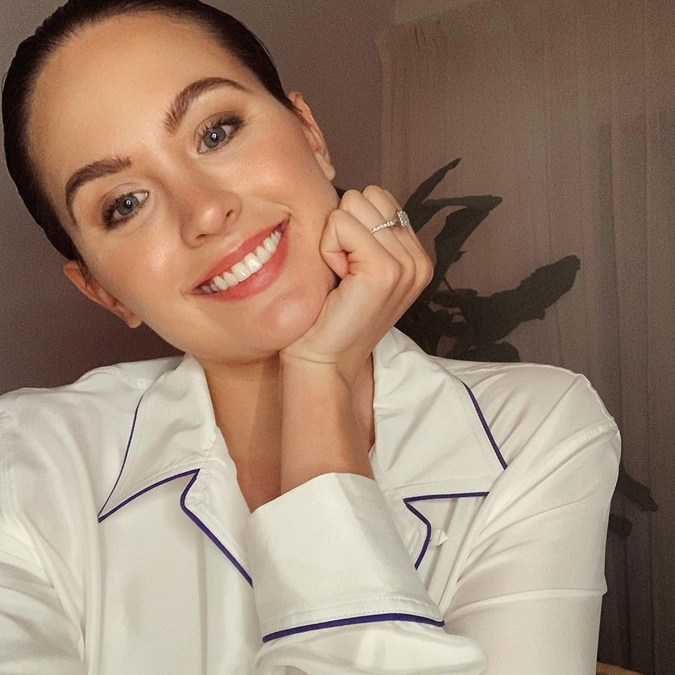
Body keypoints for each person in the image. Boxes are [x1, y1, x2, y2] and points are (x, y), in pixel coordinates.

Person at [0, 1, 620, 672]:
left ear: (310, 133)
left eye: (216, 132)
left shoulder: (535, 427)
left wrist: (318, 379)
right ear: (102, 289)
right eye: (124, 203)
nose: (205, 210)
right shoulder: (23, 466)